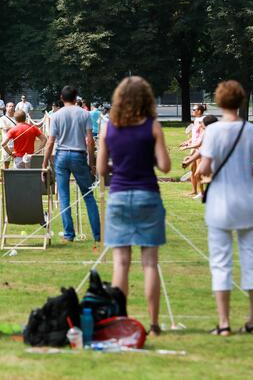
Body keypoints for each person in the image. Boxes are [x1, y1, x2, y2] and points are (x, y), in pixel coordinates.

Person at [96, 76, 171, 336]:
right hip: (147, 194)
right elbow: (165, 165)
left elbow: (99, 168)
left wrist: (118, 164)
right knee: (150, 263)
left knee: (121, 263)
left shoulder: (108, 128)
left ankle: (119, 319)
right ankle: (153, 322)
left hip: (118, 194)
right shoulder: (152, 126)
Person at [196, 80, 253, 336]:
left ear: (219, 101)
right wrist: (241, 170)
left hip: (220, 204)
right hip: (247, 202)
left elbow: (204, 168)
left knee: (221, 262)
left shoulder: (213, 132)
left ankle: (224, 322)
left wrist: (218, 170)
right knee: (252, 261)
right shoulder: (251, 130)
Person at [42, 86, 101, 246]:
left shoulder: (56, 115)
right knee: (88, 196)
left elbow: (50, 142)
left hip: (61, 155)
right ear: (76, 98)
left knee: (64, 197)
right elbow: (90, 141)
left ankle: (69, 234)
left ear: (61, 98)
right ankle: (97, 235)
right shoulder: (84, 114)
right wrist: (91, 163)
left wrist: (44, 163)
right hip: (78, 154)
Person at [181, 104, 206, 198]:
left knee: (199, 171)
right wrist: (187, 142)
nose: (192, 110)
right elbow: (195, 135)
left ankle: (202, 192)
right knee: (192, 169)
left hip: (199, 148)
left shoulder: (202, 120)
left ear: (199, 111)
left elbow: (202, 136)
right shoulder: (196, 120)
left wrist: (189, 146)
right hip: (194, 147)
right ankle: (194, 190)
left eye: (194, 109)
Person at [0, 103, 16, 169]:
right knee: (6, 164)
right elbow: (5, 129)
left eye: (13, 106)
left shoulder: (17, 118)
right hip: (7, 144)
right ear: (6, 108)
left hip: (17, 144)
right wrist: (17, 128)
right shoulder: (2, 118)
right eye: (9, 106)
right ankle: (4, 179)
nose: (11, 107)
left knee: (17, 164)